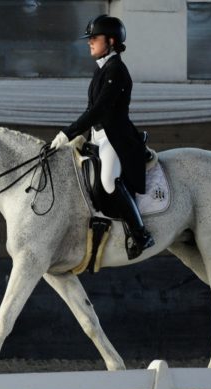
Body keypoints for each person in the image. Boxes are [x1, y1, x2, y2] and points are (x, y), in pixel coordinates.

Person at [49, 14, 154, 260]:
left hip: (114, 138)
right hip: (97, 136)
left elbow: (100, 109)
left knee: (108, 181)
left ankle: (140, 233)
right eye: (90, 39)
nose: (89, 42)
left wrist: (68, 132)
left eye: (94, 38)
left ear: (110, 40)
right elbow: (91, 110)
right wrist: (77, 135)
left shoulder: (116, 70)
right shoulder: (103, 69)